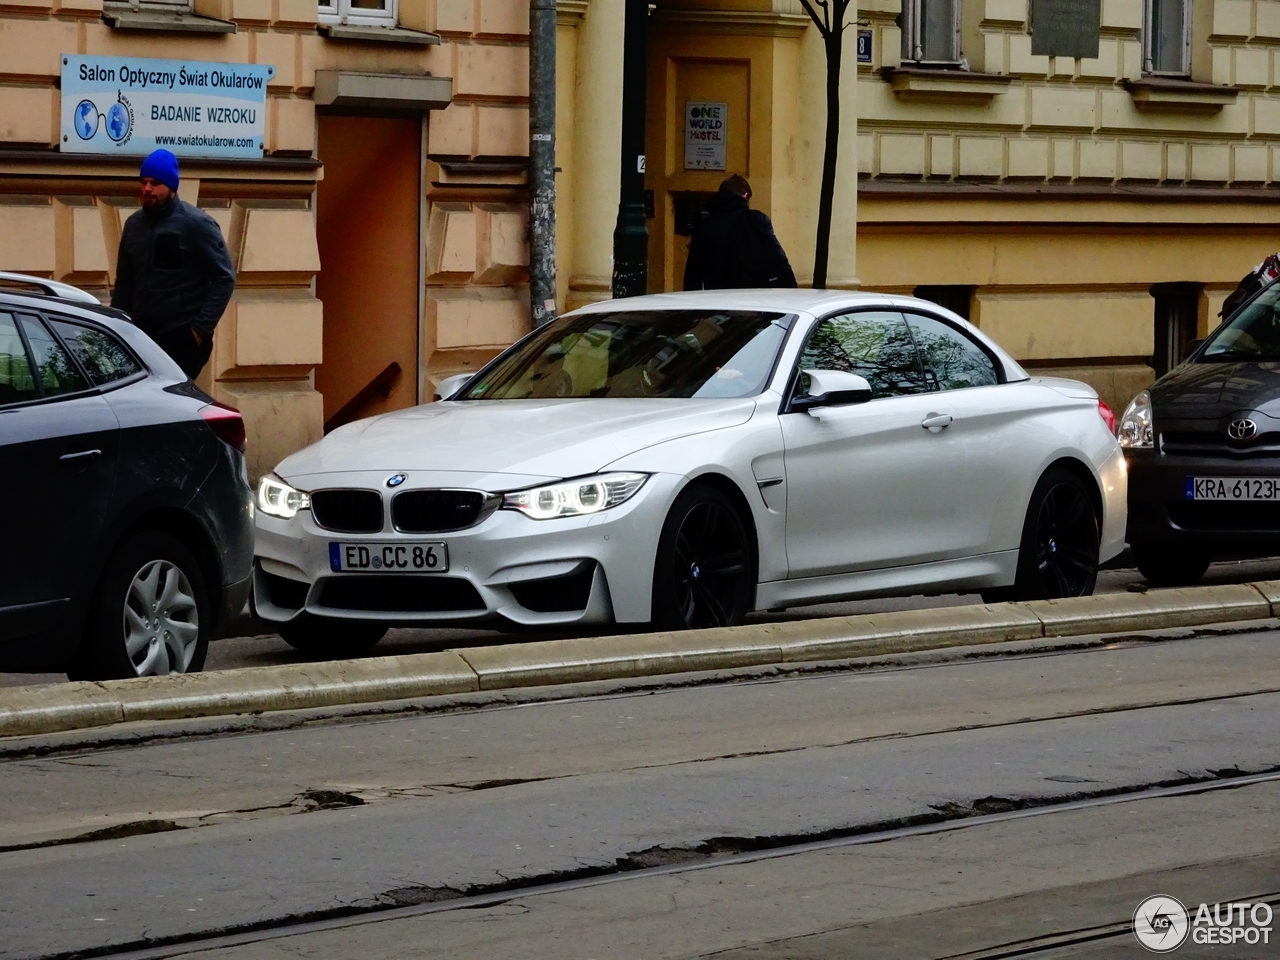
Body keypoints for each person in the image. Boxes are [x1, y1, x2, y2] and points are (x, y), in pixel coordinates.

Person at [111, 149, 236, 378]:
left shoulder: (196, 224)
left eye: (155, 183)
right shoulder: (133, 226)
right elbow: (125, 284)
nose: (146, 189)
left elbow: (224, 278)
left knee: (173, 404)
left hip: (181, 338)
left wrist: (199, 330)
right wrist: (116, 328)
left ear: (171, 186)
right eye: (144, 182)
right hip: (141, 337)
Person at [683, 174, 797, 291]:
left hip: (719, 297)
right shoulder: (757, 220)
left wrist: (691, 302)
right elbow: (779, 257)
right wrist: (792, 288)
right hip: (755, 295)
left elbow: (694, 271)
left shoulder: (705, 226)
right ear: (745, 195)